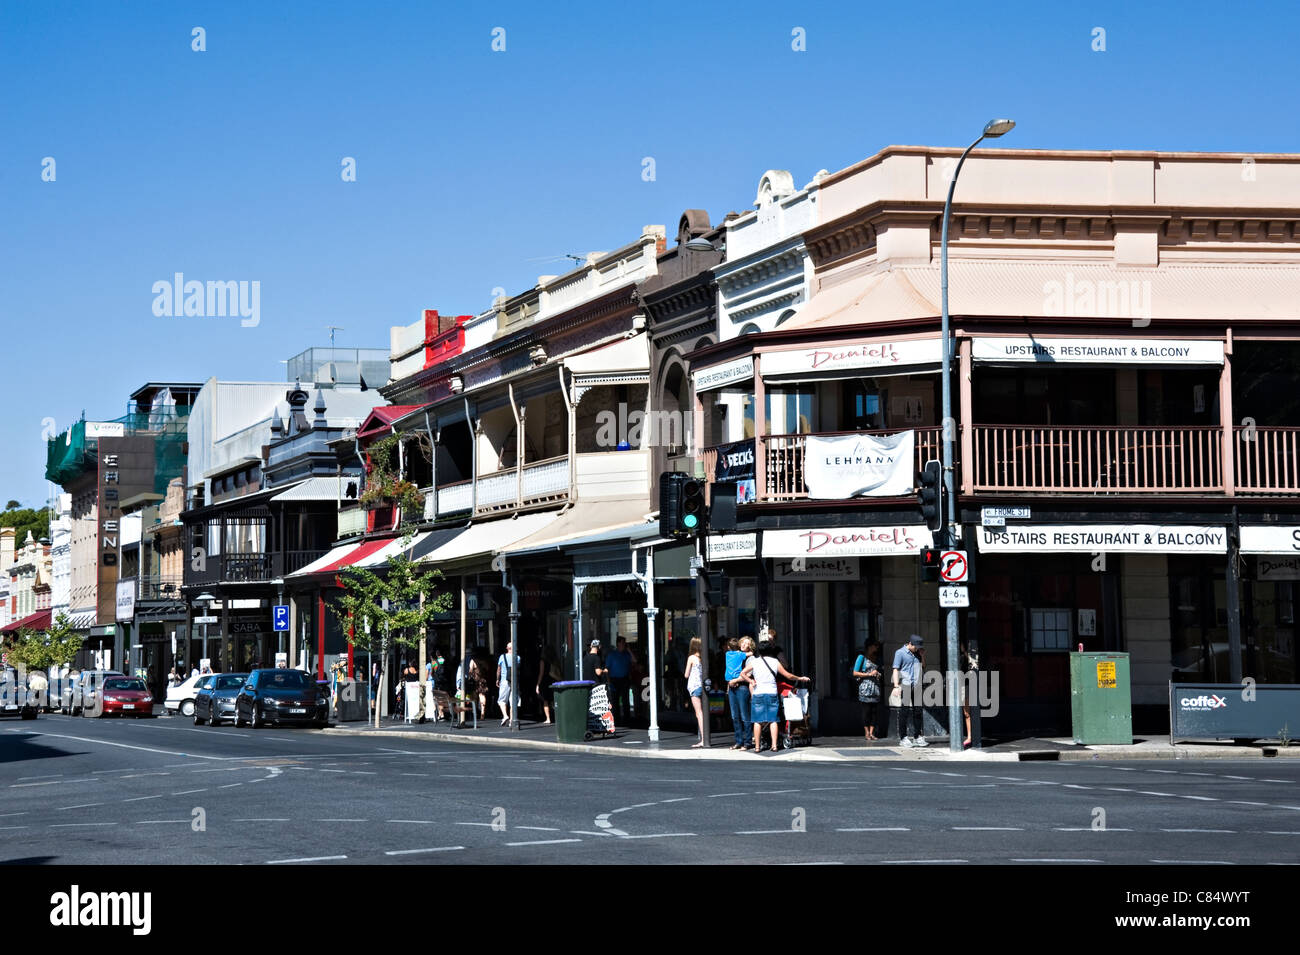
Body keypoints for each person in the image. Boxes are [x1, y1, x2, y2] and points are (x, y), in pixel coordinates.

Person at [741, 642, 808, 753]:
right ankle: (774, 745)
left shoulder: (754, 662)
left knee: (757, 721)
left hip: (758, 693)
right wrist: (800, 678)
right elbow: (788, 675)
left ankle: (757, 747)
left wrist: (750, 680)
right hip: (771, 692)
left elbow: (743, 673)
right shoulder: (775, 662)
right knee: (773, 720)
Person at [892, 635, 926, 747]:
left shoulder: (917, 653)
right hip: (906, 685)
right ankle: (903, 737)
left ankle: (917, 736)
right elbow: (896, 669)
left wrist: (922, 656)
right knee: (904, 711)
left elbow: (923, 666)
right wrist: (896, 686)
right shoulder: (900, 653)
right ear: (910, 644)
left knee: (918, 711)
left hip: (916, 685)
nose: (917, 649)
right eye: (916, 647)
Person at [725, 637, 755, 750]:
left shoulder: (750, 658)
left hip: (742, 688)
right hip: (732, 687)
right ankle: (738, 741)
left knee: (744, 716)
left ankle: (747, 742)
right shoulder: (734, 654)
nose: (743, 645)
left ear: (750, 646)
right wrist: (729, 684)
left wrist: (735, 680)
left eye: (747, 643)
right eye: (742, 642)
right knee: (735, 716)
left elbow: (749, 675)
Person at [852, 642, 883, 741]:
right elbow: (855, 673)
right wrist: (869, 674)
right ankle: (866, 732)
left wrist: (878, 674)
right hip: (865, 688)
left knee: (874, 712)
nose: (876, 649)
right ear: (869, 647)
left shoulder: (877, 658)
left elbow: (879, 671)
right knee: (866, 711)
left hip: (875, 688)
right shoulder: (862, 657)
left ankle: (871, 732)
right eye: (875, 646)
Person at [605, 637, 635, 726]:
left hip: (624, 679)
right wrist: (608, 681)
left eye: (624, 643)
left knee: (626, 700)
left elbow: (634, 660)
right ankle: (616, 720)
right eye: (622, 643)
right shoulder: (611, 655)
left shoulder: (626, 654)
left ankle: (627, 719)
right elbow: (607, 668)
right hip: (614, 679)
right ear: (618, 644)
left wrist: (629, 650)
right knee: (615, 700)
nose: (624, 645)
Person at [684, 637, 706, 748]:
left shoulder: (692, 658)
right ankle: (705, 736)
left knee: (699, 713)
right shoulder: (703, 657)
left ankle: (703, 739)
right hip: (703, 685)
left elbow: (686, 674)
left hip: (694, 686)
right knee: (703, 712)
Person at [535, 644, 559, 725]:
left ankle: (548, 718)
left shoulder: (543, 660)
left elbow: (541, 673)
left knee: (545, 700)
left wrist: (538, 684)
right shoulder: (554, 660)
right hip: (554, 680)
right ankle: (557, 717)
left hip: (545, 681)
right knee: (553, 700)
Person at [496, 642, 513, 726]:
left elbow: (498, 669)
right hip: (514, 681)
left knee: (502, 700)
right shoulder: (517, 658)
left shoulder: (502, 657)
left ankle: (505, 716)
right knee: (513, 701)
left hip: (504, 681)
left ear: (507, 648)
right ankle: (512, 720)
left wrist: (497, 679)